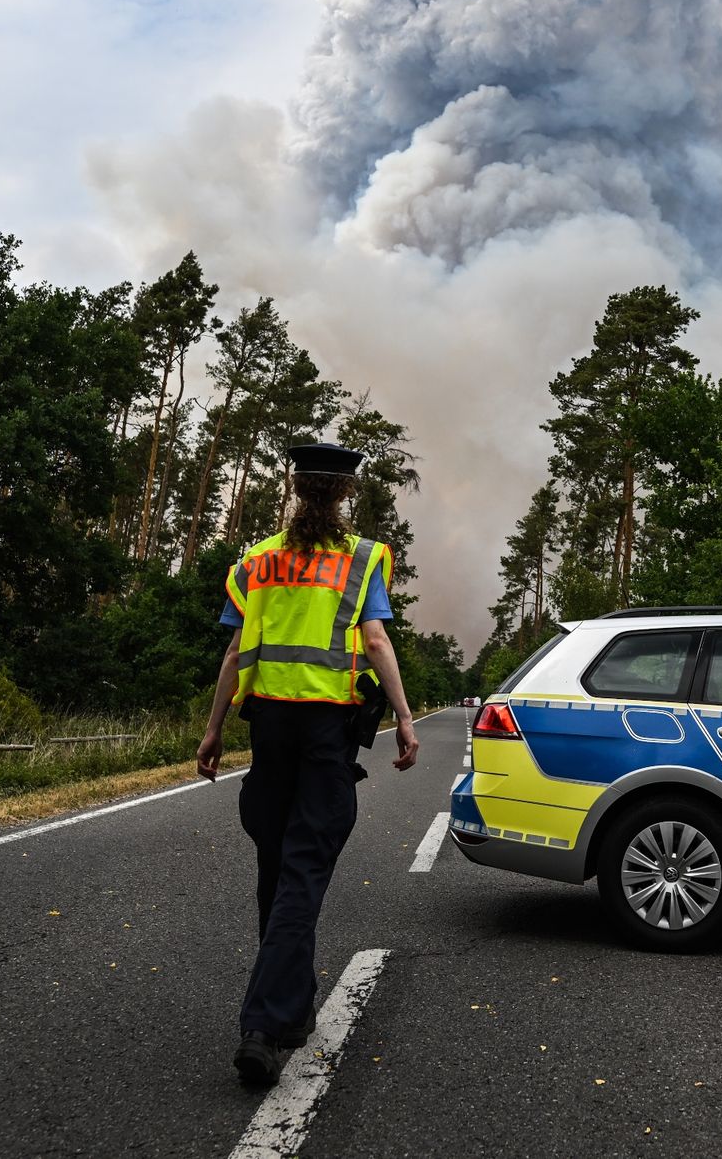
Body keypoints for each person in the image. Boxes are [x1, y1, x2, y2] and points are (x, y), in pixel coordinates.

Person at [196, 441, 420, 1088]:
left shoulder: (256, 560)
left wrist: (213, 728)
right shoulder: (361, 558)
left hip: (267, 730)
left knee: (277, 866)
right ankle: (264, 1026)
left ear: (296, 488)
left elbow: (235, 652)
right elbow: (374, 640)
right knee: (303, 869)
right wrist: (404, 717)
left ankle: (290, 1009)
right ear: (346, 492)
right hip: (325, 735)